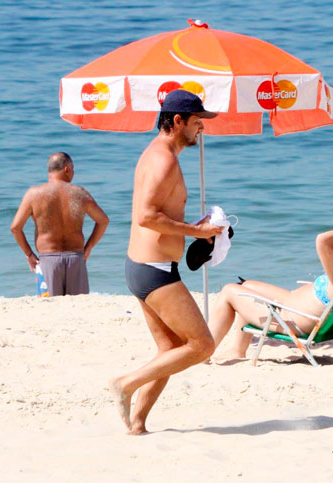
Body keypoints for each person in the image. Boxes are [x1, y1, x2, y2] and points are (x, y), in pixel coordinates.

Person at [109, 90, 224, 435]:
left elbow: (159, 211)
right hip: (153, 270)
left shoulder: (158, 154)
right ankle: (125, 383)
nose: (201, 128)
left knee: (170, 349)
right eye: (196, 122)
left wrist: (199, 226)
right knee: (202, 345)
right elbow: (147, 216)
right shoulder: (164, 160)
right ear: (177, 122)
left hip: (145, 267)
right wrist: (194, 230)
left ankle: (137, 424)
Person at [207, 216, 333, 361]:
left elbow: (322, 241)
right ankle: (237, 351)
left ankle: (204, 352)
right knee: (247, 286)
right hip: (291, 304)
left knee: (229, 291)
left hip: (293, 319)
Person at [10, 152, 109, 296]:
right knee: (77, 307)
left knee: (49, 308)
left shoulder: (34, 194)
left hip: (48, 261)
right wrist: (89, 247)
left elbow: (15, 228)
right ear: (67, 169)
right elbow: (103, 221)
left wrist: (29, 254)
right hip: (76, 259)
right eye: (73, 169)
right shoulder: (80, 193)